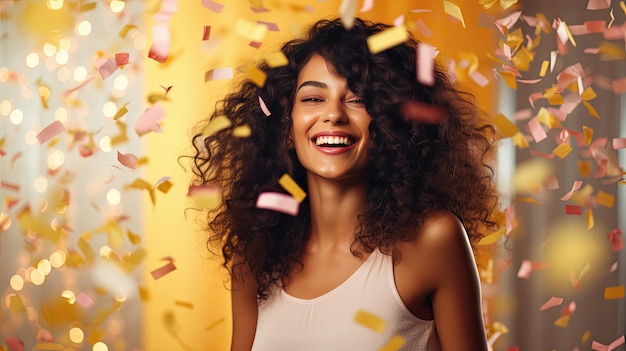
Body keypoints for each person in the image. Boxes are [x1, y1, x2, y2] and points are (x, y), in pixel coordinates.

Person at [190, 17, 498, 351]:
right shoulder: (254, 255)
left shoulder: (433, 240)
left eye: (357, 99)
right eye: (312, 99)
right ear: (285, 128)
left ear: (387, 125)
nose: (333, 114)